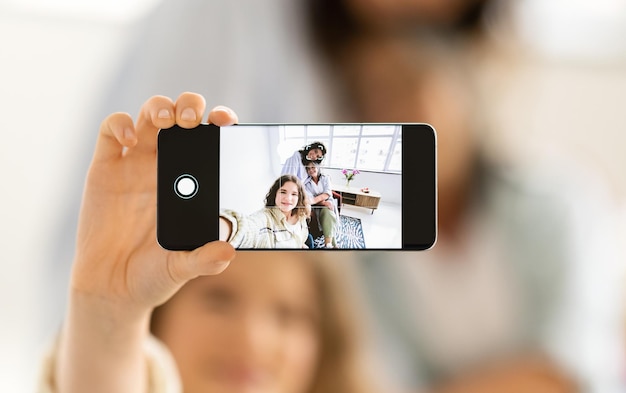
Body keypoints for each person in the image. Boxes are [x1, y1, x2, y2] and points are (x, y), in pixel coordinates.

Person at [40, 93, 380, 393]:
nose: (252, 339)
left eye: (289, 315)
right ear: (163, 312)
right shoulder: (254, 223)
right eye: (219, 299)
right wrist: (109, 309)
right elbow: (243, 226)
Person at [219, 174, 310, 249]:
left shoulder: (301, 217)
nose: (288, 198)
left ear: (299, 198)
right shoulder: (265, 218)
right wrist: (224, 227)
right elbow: (247, 228)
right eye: (283, 192)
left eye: (294, 194)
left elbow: (300, 241)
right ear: (275, 194)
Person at [303, 161, 339, 248]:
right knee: (326, 213)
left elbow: (327, 193)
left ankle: (328, 244)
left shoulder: (326, 178)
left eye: (313, 167)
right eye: (308, 168)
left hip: (328, 202)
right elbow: (310, 200)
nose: (311, 170)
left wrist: (320, 200)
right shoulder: (306, 183)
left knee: (328, 212)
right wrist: (323, 202)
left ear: (318, 167)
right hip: (317, 206)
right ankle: (332, 244)